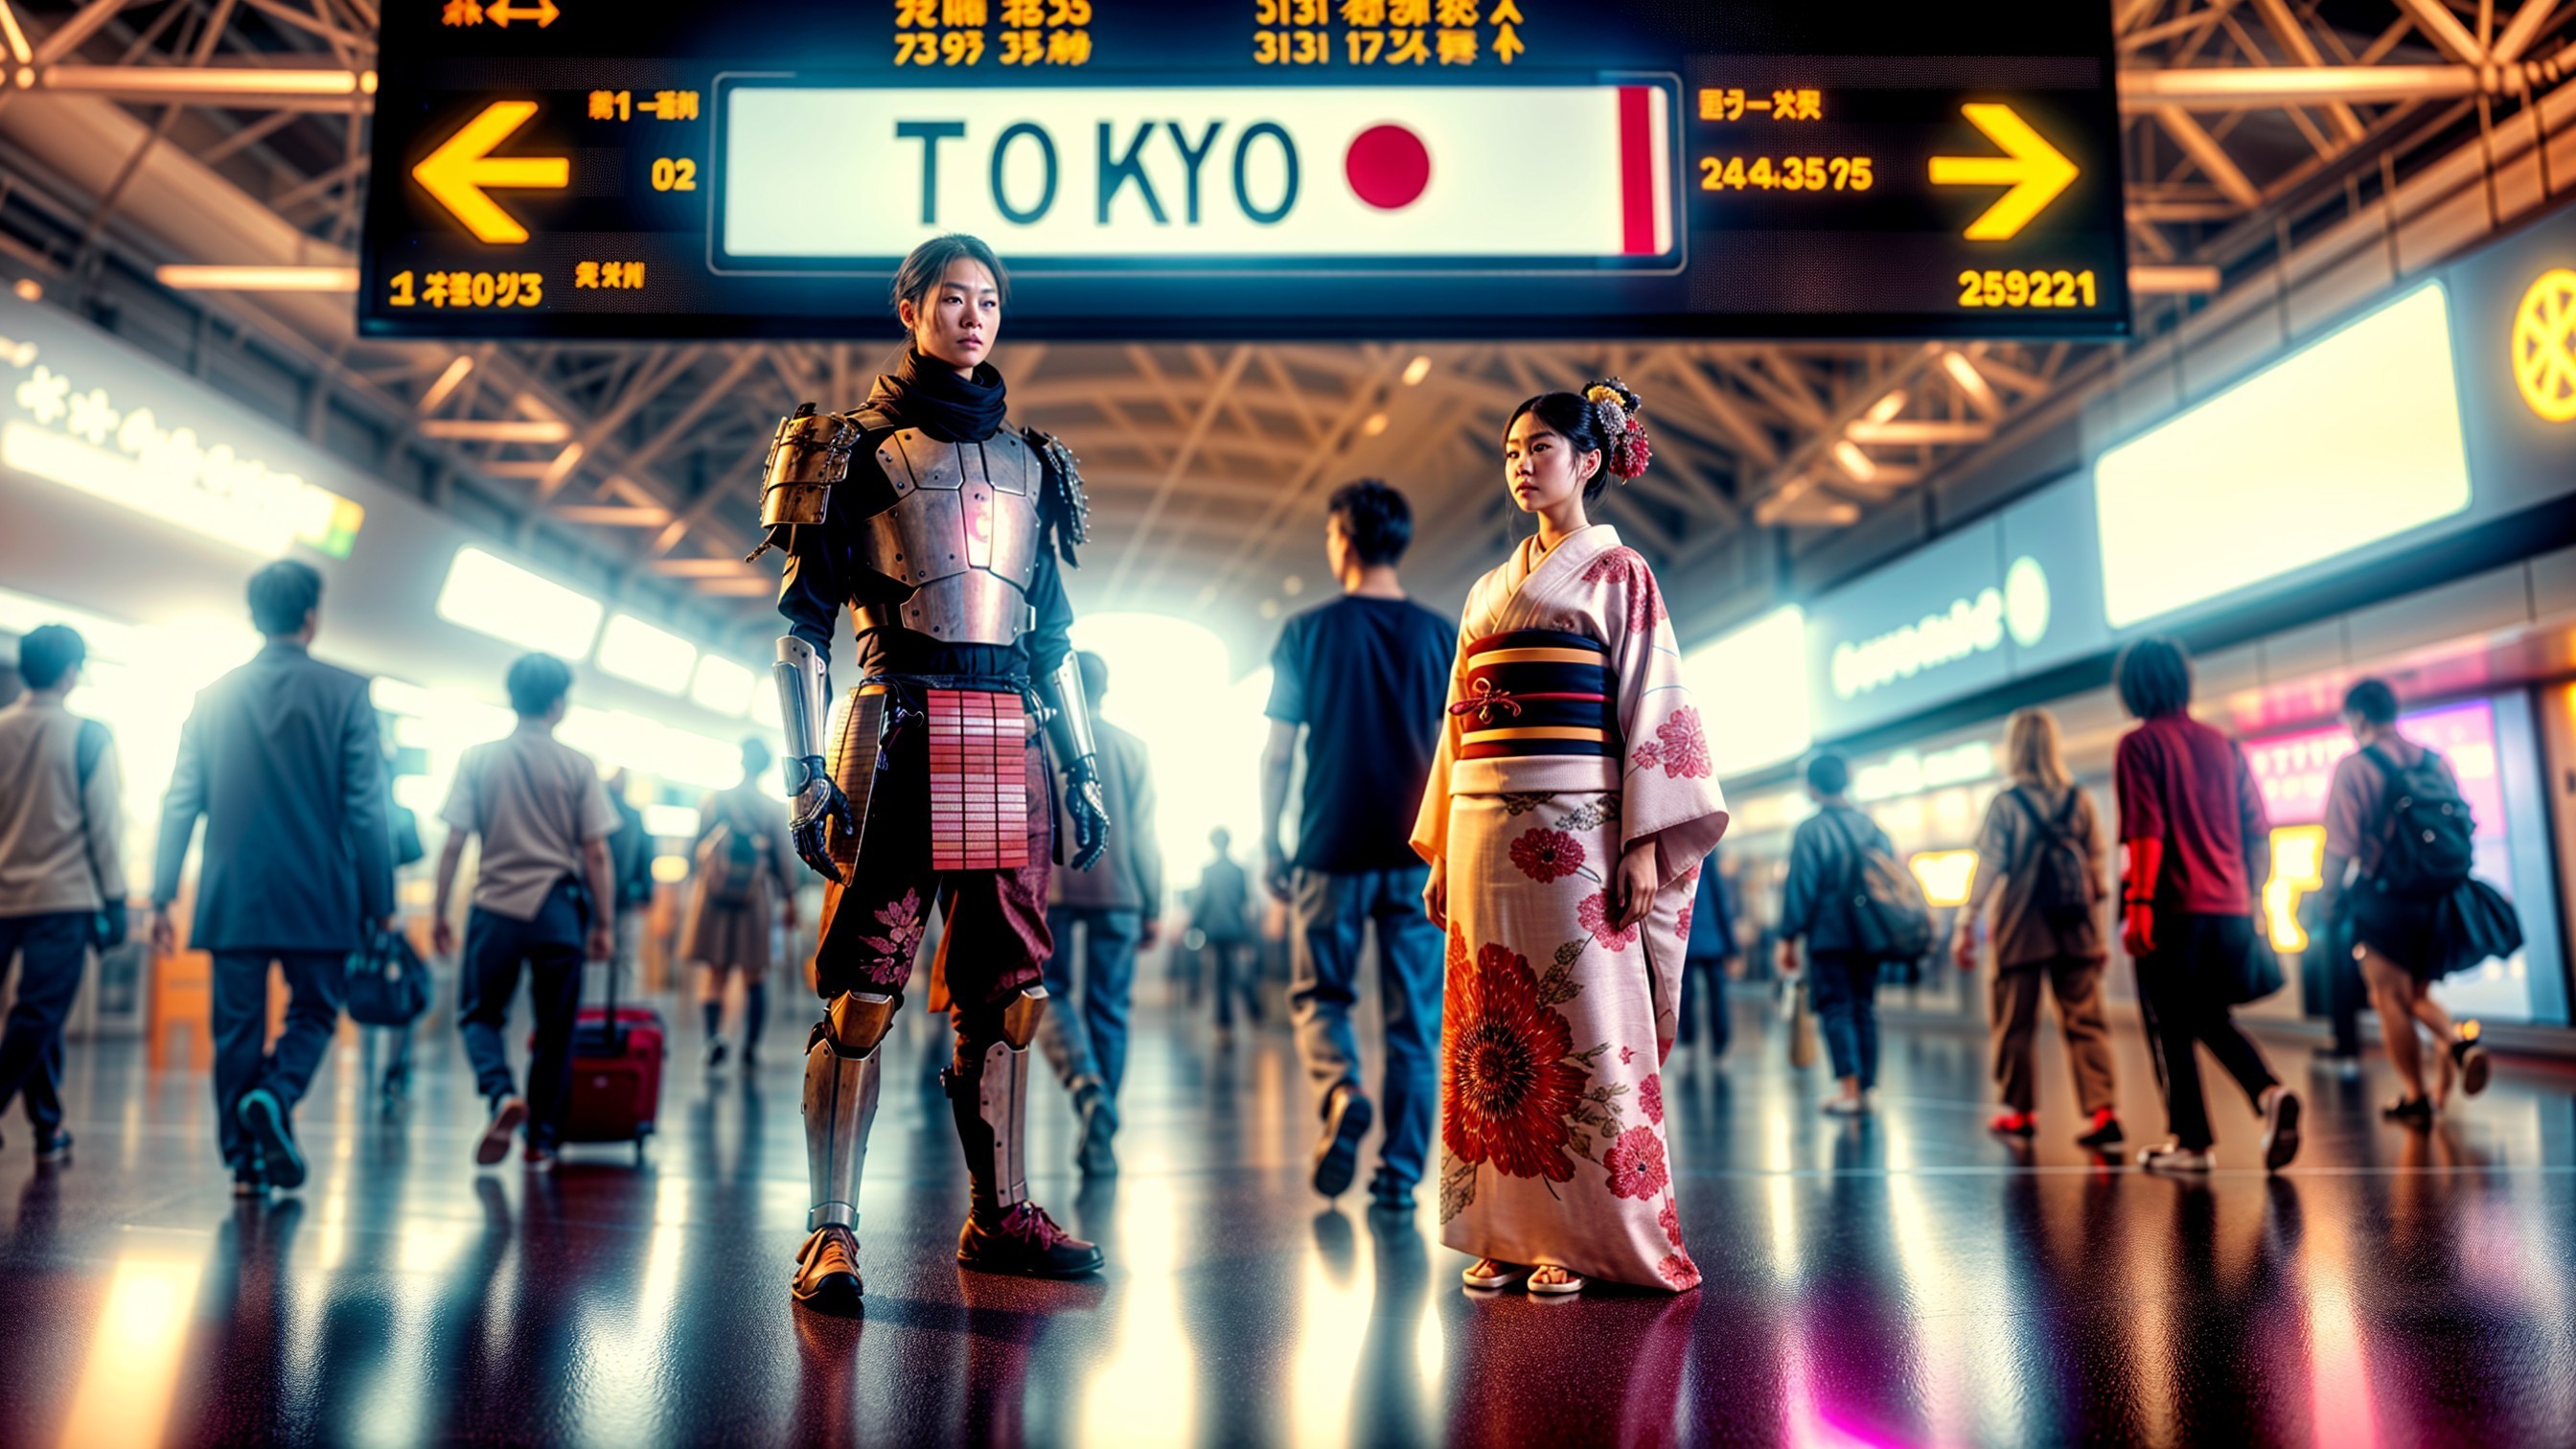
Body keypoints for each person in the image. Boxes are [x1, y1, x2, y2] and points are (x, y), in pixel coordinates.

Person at [757, 233, 1111, 1312]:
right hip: (897, 727)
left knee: (1009, 995)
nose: (974, 315)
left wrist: (1083, 766)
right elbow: (800, 628)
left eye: (990, 299)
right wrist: (806, 771)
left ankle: (1002, 1213)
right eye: (953, 297)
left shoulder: (1034, 461)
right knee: (864, 990)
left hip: (1007, 732)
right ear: (909, 307)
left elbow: (1053, 637)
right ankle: (831, 1233)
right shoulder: (843, 446)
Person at [1413, 380, 1729, 1296]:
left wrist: (1641, 843)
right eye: (1512, 450)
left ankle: (1583, 1237)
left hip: (1578, 828)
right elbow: (1457, 723)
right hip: (1483, 827)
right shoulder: (1483, 591)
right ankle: (1507, 1230)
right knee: (1489, 1026)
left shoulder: (1622, 576)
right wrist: (1441, 844)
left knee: (1583, 1022)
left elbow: (1651, 705)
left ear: (1590, 461)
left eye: (1542, 447)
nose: (1523, 463)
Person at [150, 561, 396, 1197]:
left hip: (232, 896)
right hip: (318, 892)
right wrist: (381, 900)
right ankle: (275, 1092)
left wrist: (160, 893)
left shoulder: (213, 696)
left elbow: (181, 800)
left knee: (236, 1027)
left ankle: (243, 1163)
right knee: (315, 1008)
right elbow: (368, 807)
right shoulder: (345, 692)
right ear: (311, 616)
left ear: (255, 616)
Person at [1261, 478, 1456, 1212]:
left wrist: (1269, 839)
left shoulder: (1305, 632)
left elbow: (1278, 752)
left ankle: (1343, 1088)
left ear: (1342, 538)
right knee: (1414, 1021)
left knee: (1321, 997)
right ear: (1399, 542)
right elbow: (1460, 753)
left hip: (1328, 847)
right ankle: (1399, 1177)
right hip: (1418, 857)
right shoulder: (1443, 635)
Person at [2112, 636, 2300, 1174]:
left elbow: (2144, 830)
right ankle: (2267, 1094)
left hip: (2172, 908)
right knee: (2206, 1015)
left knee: (2169, 1022)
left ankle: (2193, 1143)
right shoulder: (2224, 743)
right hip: (2230, 907)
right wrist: (2252, 896)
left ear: (2133, 687)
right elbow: (2257, 829)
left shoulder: (2138, 745)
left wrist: (2139, 904)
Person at [431, 653, 619, 1171]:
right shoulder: (578, 765)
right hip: (558, 910)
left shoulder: (477, 758)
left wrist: (439, 910)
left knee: (478, 1014)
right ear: (559, 704)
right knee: (556, 1028)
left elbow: (453, 844)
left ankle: (499, 1094)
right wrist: (603, 923)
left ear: (512, 698)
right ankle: (541, 1139)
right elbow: (596, 853)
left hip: (495, 908)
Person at [2315, 678, 2492, 1125]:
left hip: (2386, 901)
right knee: (2418, 994)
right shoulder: (2436, 762)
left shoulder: (2355, 767)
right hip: (2438, 899)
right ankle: (2449, 1067)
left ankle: (2418, 1092)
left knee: (2389, 997)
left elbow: (2340, 844)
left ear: (2358, 717)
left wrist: (2328, 898)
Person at [1953, 708, 2125, 1148]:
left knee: (2015, 1023)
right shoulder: (2080, 799)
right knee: (2086, 1021)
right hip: (2076, 928)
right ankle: (2103, 1110)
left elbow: (1989, 866)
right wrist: (2099, 937)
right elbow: (2098, 875)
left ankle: (2021, 1112)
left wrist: (1965, 920)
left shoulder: (2006, 803)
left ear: (2014, 748)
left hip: (2021, 928)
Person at [0, 624, 123, 1161]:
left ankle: (48, 1126)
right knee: (39, 1014)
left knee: (37, 1017)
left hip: (3, 896)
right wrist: (116, 900)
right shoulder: (89, 736)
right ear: (71, 673)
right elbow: (104, 828)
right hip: (63, 899)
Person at [1039, 652, 1162, 1178]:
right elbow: (1145, 831)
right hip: (1122, 892)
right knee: (1110, 1007)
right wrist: (1154, 902)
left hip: (1055, 889)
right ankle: (1104, 1127)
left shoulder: (1042, 743)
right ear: (1105, 690)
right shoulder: (1132, 747)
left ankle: (1086, 1086)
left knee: (1052, 992)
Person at [1776, 752, 1896, 1117]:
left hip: (1830, 935)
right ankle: (1867, 1086)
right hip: (1871, 935)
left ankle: (1849, 1089)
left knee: (1837, 1008)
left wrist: (1788, 937)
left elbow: (1802, 887)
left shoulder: (1810, 830)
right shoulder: (1872, 827)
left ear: (1812, 787)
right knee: (1864, 1007)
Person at [680, 739, 797, 1071]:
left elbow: (694, 847)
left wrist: (692, 882)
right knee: (754, 974)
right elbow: (782, 860)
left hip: (714, 894)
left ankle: (712, 1039)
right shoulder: (772, 808)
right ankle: (750, 1048)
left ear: (742, 761)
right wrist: (789, 898)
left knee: (715, 973)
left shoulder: (715, 800)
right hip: (754, 898)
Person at [1193, 827, 1257, 1035]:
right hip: (1235, 927)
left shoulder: (1208, 870)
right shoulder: (1239, 870)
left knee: (1221, 975)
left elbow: (1202, 900)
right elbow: (1245, 901)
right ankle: (1254, 1009)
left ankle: (1224, 1021)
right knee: (1236, 970)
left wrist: (1194, 924)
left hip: (1215, 929)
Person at [1673, 848, 1736, 1059]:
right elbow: (1720, 898)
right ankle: (1720, 1043)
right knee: (1717, 992)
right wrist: (1731, 946)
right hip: (1711, 937)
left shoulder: (1673, 847)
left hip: (1684, 936)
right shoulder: (1708, 850)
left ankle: (1688, 1039)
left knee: (1685, 992)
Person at [604, 766, 656, 1000]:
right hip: (627, 896)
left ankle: (589, 1014)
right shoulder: (633, 815)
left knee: (595, 959)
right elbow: (646, 856)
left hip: (594, 897)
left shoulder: (594, 811)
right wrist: (646, 894)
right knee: (625, 957)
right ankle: (622, 1007)